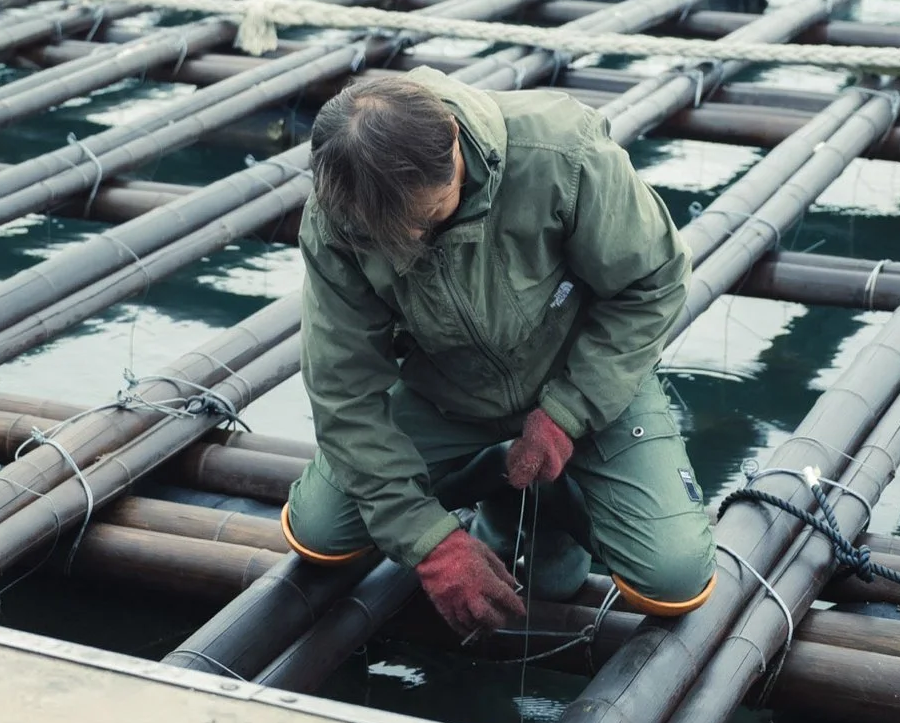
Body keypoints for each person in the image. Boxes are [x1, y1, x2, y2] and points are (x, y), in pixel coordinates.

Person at [287, 67, 716, 639]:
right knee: (318, 535)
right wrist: (429, 541)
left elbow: (653, 284)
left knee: (675, 579)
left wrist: (568, 412)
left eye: (425, 216)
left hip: (581, 375)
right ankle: (492, 474)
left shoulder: (564, 150)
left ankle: (560, 500)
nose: (411, 241)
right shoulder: (336, 216)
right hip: (444, 394)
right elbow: (344, 392)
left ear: (455, 146)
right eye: (392, 233)